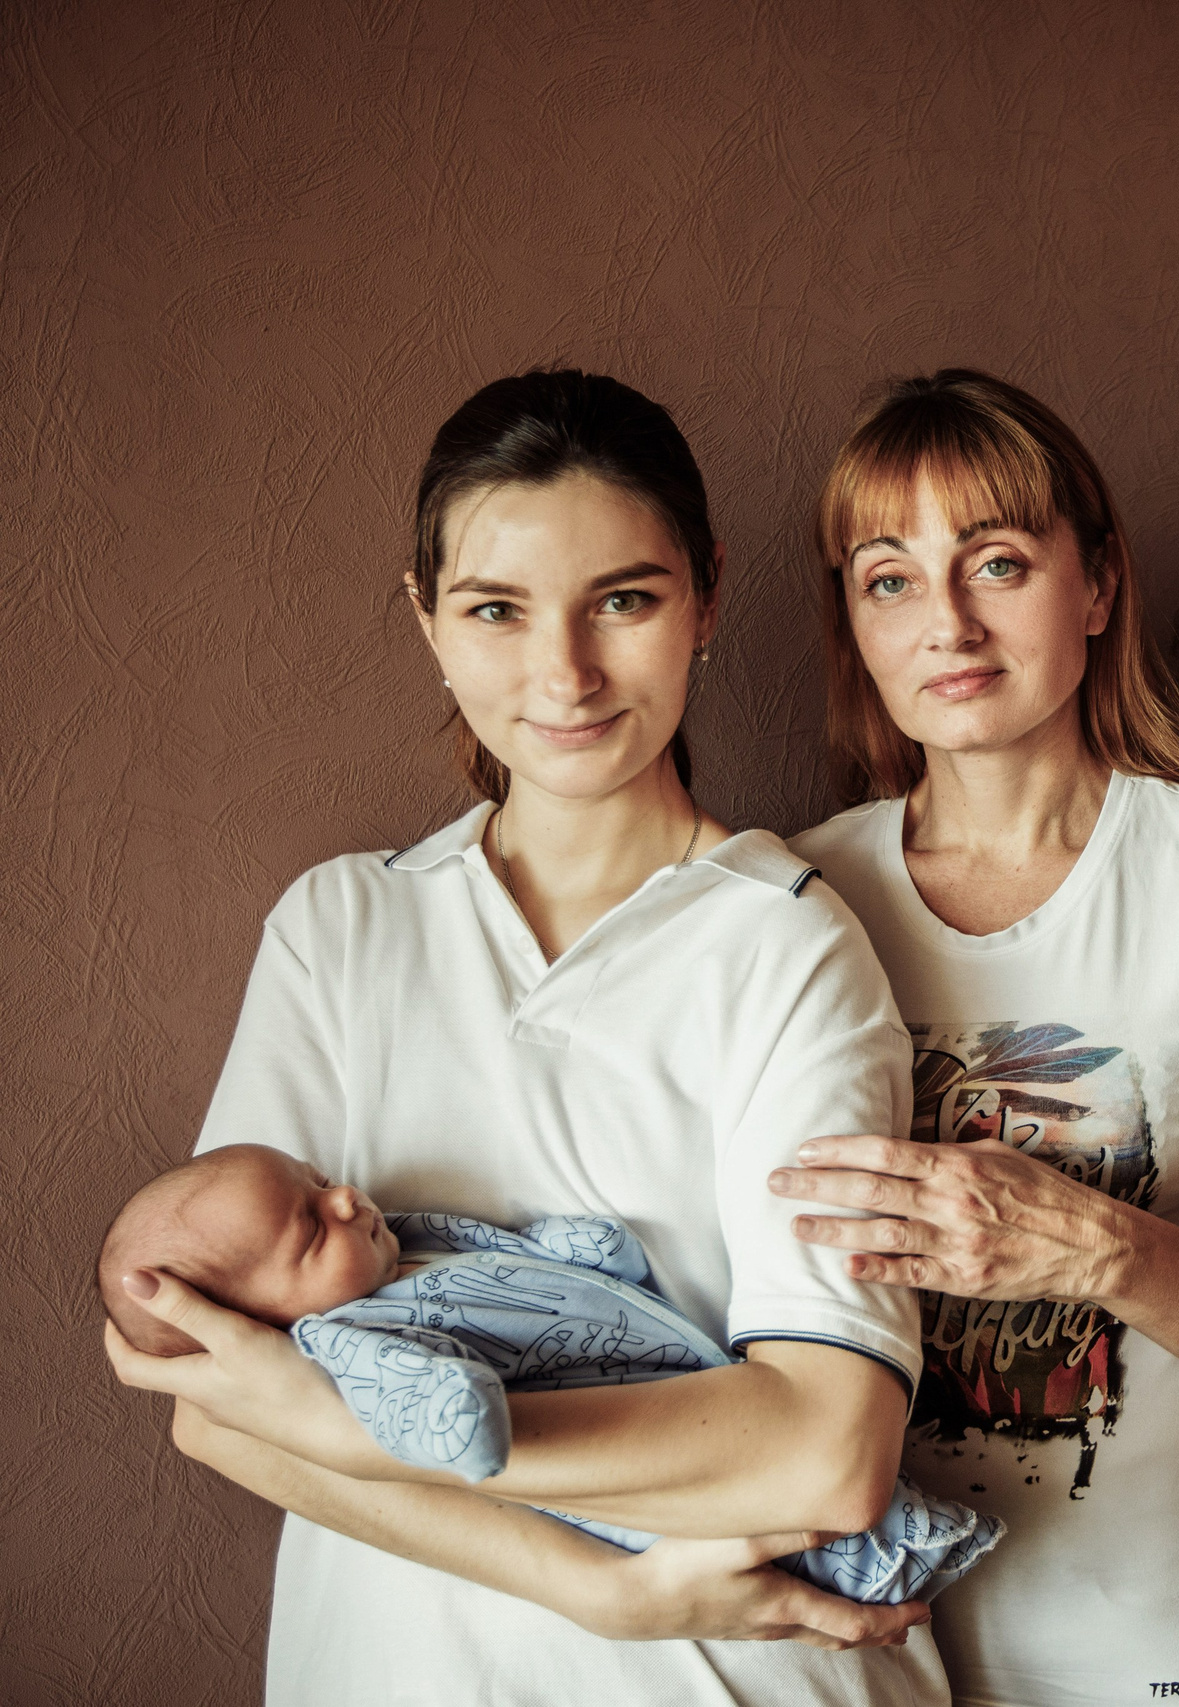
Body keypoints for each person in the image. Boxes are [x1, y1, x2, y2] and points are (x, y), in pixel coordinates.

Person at [102, 368, 947, 1705]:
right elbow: (209, 1394)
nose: (564, 673)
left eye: (624, 598)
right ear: (427, 613)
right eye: (497, 608)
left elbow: (827, 1452)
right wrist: (594, 1583)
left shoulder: (786, 943)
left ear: (708, 595)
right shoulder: (342, 927)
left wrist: (336, 1422)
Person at [763, 370, 1179, 1707]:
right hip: (858, 1658)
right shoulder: (788, 898)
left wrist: (1096, 1244)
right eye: (890, 577)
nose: (948, 620)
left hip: (1157, 1649)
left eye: (996, 561)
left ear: (1096, 585)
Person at [97, 1143, 1000, 1604]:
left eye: (320, 1178)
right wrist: (440, 1420)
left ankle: (911, 1539)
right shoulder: (348, 1338)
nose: (345, 1198)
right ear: (259, 1325)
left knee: (775, 1469)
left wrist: (554, 1246)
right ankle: (899, 1552)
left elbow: (485, 1247)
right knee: (766, 1517)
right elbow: (412, 1402)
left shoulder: (401, 1239)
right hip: (586, 1432)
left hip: (672, 1368)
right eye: (309, 1229)